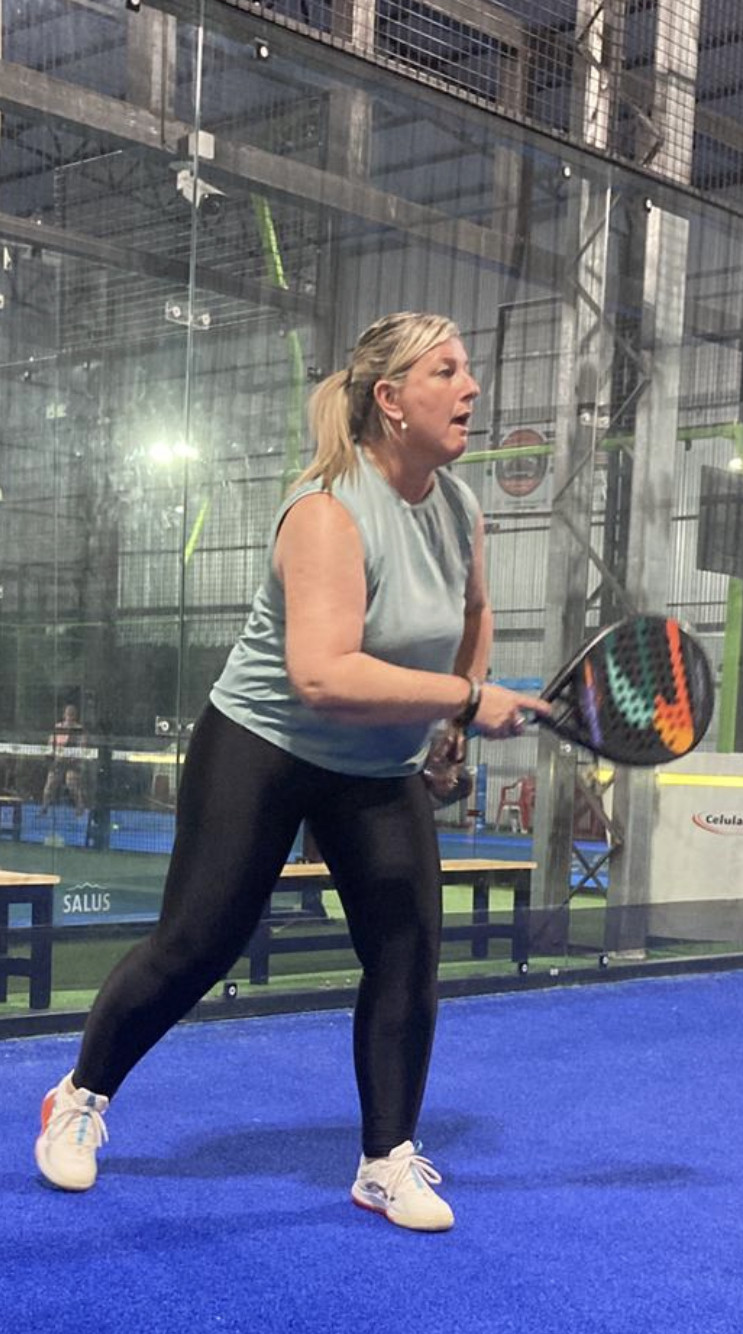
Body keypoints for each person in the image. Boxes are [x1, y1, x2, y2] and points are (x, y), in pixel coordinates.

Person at [34, 311, 549, 1231]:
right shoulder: (325, 511)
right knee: (197, 945)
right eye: (445, 371)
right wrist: (468, 699)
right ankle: (79, 1095)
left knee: (407, 951)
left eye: (467, 369)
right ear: (391, 400)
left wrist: (453, 712)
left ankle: (385, 1161)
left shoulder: (460, 507)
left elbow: (475, 611)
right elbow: (322, 676)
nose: (471, 387)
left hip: (377, 764)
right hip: (263, 746)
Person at [40, 703, 87, 816]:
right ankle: (44, 808)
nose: (70, 717)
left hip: (73, 762)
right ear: (64, 715)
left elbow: (83, 746)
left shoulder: (79, 730)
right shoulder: (58, 727)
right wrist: (51, 755)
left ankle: (80, 807)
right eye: (68, 714)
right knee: (50, 783)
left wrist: (76, 758)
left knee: (71, 782)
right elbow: (51, 743)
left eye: (72, 714)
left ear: (75, 716)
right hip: (58, 761)